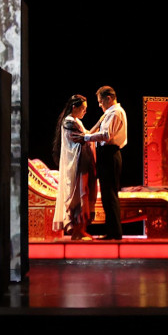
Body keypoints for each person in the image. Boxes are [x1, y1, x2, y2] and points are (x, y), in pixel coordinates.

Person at [83, 85, 127, 239]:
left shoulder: (115, 112)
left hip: (110, 154)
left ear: (109, 98)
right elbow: (98, 129)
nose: (99, 105)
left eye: (101, 101)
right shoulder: (109, 113)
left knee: (110, 194)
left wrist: (86, 138)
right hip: (106, 155)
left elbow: (107, 135)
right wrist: (88, 133)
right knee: (108, 195)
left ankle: (115, 233)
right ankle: (113, 231)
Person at [51, 94, 96, 240]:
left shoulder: (75, 121)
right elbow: (83, 139)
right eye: (82, 108)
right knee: (78, 194)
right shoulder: (69, 122)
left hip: (81, 163)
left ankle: (80, 230)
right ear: (74, 107)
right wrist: (93, 134)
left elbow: (86, 136)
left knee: (83, 193)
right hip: (75, 164)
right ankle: (77, 231)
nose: (84, 111)